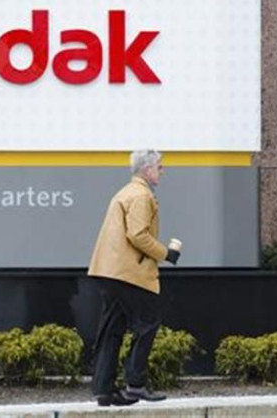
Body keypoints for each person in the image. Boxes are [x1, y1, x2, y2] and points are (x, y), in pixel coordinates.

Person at [87, 149, 181, 407]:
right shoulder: (141, 195)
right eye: (160, 167)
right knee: (148, 322)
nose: (163, 171)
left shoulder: (124, 192)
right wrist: (166, 253)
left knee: (112, 329)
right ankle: (136, 385)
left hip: (108, 271)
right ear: (148, 169)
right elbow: (138, 235)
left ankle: (103, 390)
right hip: (128, 272)